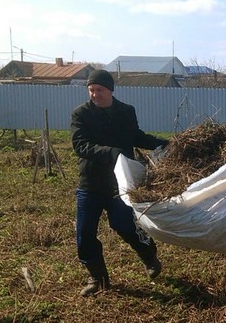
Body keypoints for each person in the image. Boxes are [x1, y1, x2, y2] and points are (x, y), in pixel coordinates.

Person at [70, 69, 169, 297]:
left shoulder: (126, 112)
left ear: (110, 90)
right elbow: (80, 145)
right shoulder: (81, 114)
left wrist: (164, 144)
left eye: (99, 90)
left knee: (125, 225)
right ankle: (97, 278)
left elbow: (136, 136)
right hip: (91, 183)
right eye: (91, 90)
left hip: (120, 183)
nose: (94, 94)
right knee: (84, 233)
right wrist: (110, 152)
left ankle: (149, 257)